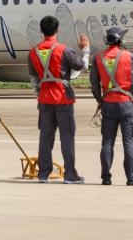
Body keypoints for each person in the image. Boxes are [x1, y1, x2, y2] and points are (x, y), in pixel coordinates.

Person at [28, 14, 90, 183]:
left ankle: (43, 174)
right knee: (67, 137)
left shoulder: (33, 52)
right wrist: (85, 49)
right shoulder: (64, 50)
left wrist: (39, 96)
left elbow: (34, 79)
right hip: (63, 98)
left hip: (44, 99)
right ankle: (70, 174)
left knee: (45, 138)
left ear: (41, 31)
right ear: (57, 30)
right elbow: (82, 66)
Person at [90, 26, 133, 186]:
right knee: (128, 141)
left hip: (108, 104)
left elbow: (94, 84)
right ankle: (132, 177)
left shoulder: (97, 58)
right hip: (125, 104)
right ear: (120, 40)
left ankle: (106, 177)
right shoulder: (127, 56)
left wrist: (99, 101)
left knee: (107, 142)